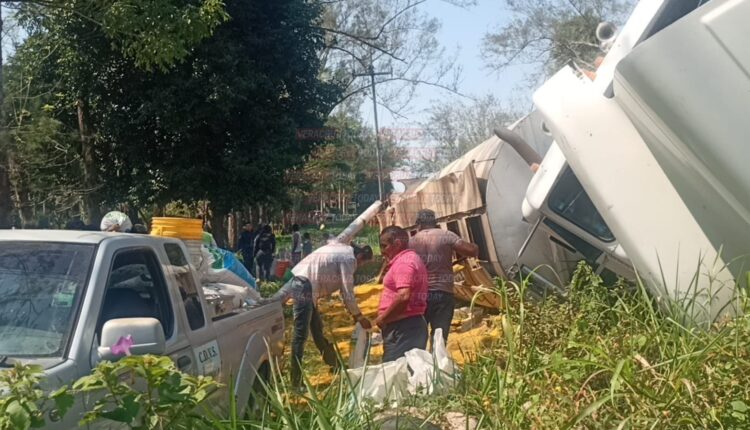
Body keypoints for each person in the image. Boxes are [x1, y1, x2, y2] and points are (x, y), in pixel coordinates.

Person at [268, 241, 374, 388]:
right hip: (305, 286)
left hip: (304, 282)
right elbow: (347, 292)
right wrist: (359, 316)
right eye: (362, 263)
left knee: (317, 330)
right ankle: (296, 382)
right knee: (300, 336)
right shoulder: (349, 259)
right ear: (360, 256)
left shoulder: (343, 250)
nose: (359, 266)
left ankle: (335, 365)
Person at [409, 209, 479, 344]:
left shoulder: (411, 242)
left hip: (419, 295)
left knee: (417, 337)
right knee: (439, 337)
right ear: (435, 221)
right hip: (442, 293)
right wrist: (475, 246)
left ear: (418, 223)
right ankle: (437, 356)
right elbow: (471, 251)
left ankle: (418, 357)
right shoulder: (446, 235)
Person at [375, 226, 428, 362]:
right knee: (406, 369)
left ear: (397, 244)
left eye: (384, 246)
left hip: (403, 328)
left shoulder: (404, 262)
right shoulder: (409, 259)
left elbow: (404, 296)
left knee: (395, 371)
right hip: (407, 327)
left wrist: (382, 319)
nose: (382, 251)